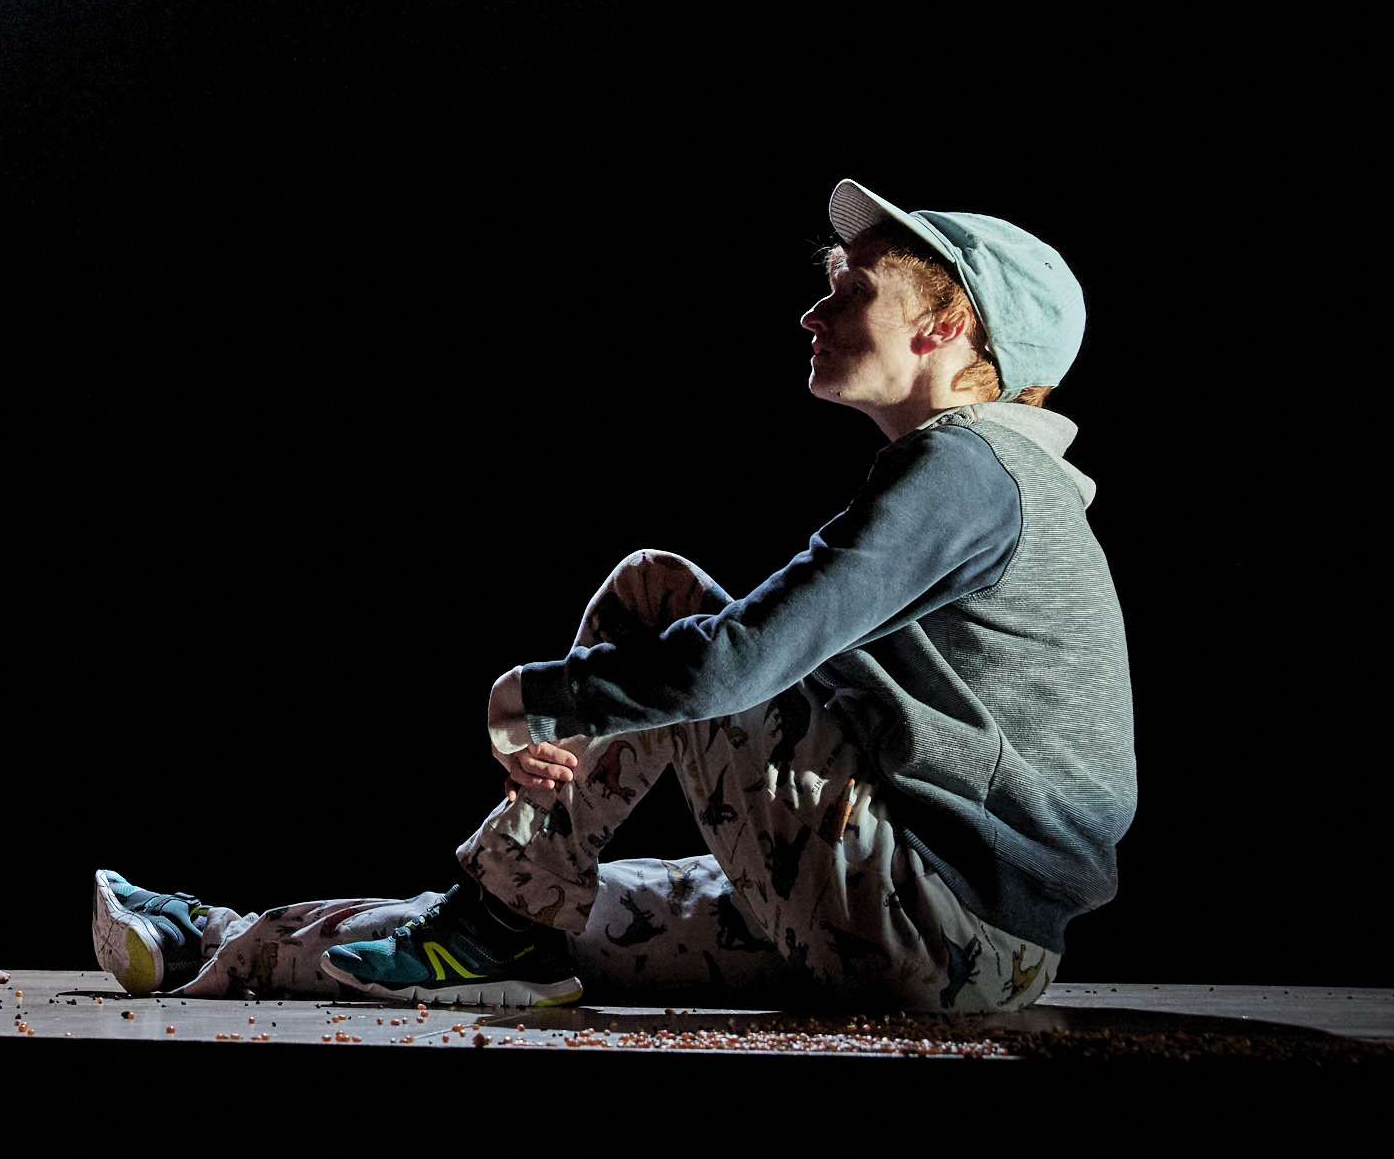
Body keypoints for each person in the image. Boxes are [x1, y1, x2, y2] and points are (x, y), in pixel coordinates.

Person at [93, 179, 1133, 1014]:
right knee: (561, 921)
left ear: (945, 325)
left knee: (656, 590)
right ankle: (219, 939)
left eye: (851, 291)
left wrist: (535, 697)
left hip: (926, 917)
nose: (812, 311)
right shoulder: (999, 482)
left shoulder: (969, 468)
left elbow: (736, 661)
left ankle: (500, 917)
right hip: (960, 950)